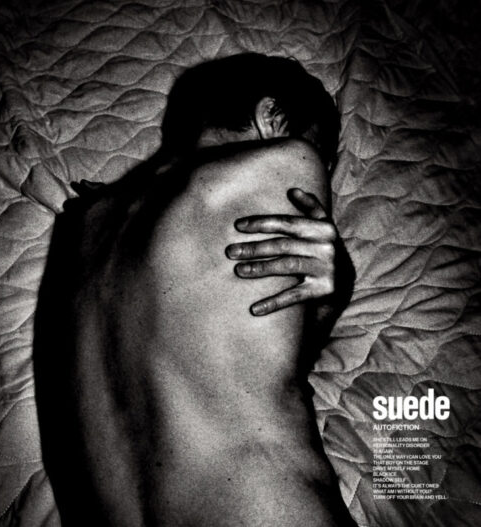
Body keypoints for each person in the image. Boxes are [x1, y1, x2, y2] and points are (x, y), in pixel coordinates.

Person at [34, 53, 356, 526]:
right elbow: (284, 371)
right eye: (322, 155)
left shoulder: (81, 226)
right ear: (271, 117)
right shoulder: (284, 160)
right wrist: (336, 290)